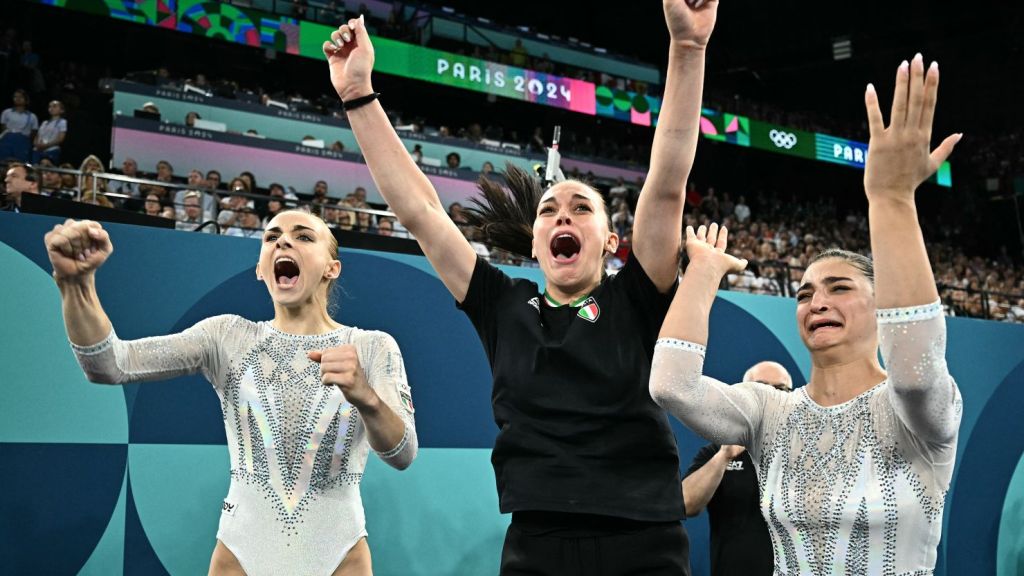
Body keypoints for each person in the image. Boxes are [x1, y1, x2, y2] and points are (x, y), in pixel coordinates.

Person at [323, 2, 717, 572]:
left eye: (582, 209)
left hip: (644, 538)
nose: (563, 217)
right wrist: (358, 93)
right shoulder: (502, 304)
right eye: (550, 211)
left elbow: (667, 181)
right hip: (537, 541)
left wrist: (688, 48)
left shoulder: (635, 296)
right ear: (534, 243)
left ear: (611, 242)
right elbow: (422, 212)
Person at [649, 54, 963, 574]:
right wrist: (702, 273)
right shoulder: (769, 413)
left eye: (839, 288)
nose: (817, 301)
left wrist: (891, 199)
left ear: (880, 303)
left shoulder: (919, 411)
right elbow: (671, 386)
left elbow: (913, 370)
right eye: (805, 293)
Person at [45, 210, 417, 576]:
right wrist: (75, 286)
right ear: (260, 270)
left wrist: (366, 397)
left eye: (303, 236)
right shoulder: (226, 336)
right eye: (271, 237)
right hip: (241, 552)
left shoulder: (371, 347)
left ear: (331, 268)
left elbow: (402, 454)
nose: (283, 240)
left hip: (340, 552)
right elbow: (110, 364)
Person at [682, 361, 792, 576]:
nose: (769, 396)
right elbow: (686, 503)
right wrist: (724, 456)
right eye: (760, 387)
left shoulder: (808, 453)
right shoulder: (717, 451)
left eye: (779, 389)